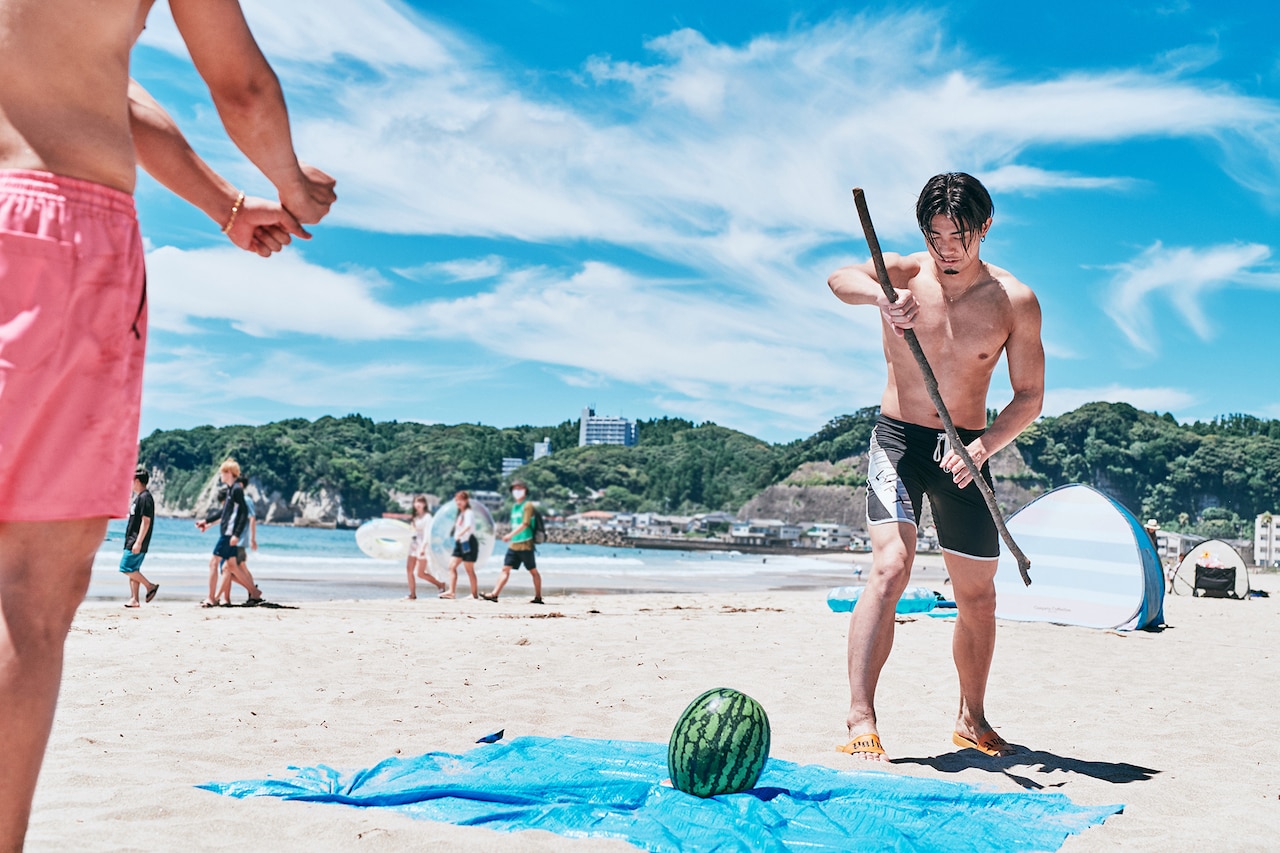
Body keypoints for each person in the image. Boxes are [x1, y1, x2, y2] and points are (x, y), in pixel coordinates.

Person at [0, 1, 335, 842]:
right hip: (51, 224)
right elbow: (240, 86)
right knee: (29, 591)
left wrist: (226, 205)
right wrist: (291, 186)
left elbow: (111, 89)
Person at [827, 172, 1044, 761]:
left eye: (960, 236)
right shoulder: (903, 274)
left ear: (985, 227)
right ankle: (860, 717)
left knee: (978, 596)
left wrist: (983, 447)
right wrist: (879, 299)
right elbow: (839, 278)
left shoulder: (1013, 300)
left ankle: (972, 719)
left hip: (967, 449)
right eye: (936, 236)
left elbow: (1029, 397)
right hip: (898, 440)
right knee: (890, 567)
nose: (947, 249)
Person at [197, 460, 259, 607]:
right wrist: (206, 521)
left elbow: (243, 513)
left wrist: (236, 534)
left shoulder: (236, 490)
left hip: (229, 535)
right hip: (228, 534)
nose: (221, 475)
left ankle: (211, 598)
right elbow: (224, 512)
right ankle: (254, 592)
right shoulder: (231, 489)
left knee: (213, 563)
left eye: (222, 473)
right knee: (231, 566)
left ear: (229, 473)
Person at [481, 481, 544, 604]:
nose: (517, 491)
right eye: (515, 489)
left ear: (525, 491)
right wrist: (511, 536)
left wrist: (509, 535)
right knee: (505, 569)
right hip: (514, 544)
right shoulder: (515, 507)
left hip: (525, 543)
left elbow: (525, 524)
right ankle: (494, 594)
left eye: (520, 488)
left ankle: (538, 597)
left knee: (533, 571)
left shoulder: (528, 505)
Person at [213, 475, 262, 606]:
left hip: (238, 541)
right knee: (236, 568)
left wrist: (252, 539)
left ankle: (252, 592)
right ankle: (249, 594)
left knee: (228, 568)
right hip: (233, 539)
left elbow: (252, 518)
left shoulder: (245, 500)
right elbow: (224, 517)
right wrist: (208, 524)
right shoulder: (235, 500)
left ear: (240, 485)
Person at [120, 469, 159, 608]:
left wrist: (138, 542)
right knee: (133, 569)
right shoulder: (140, 497)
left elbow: (146, 521)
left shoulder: (145, 498)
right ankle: (134, 599)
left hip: (136, 540)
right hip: (132, 539)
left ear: (136, 481)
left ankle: (150, 586)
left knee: (125, 567)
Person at [440, 490, 480, 600]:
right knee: (451, 566)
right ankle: (451, 592)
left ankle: (474, 594)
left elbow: (468, 526)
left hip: (468, 542)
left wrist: (460, 534)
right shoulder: (460, 514)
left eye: (461, 500)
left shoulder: (468, 513)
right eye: (457, 500)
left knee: (469, 570)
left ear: (466, 501)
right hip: (460, 543)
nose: (458, 502)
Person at [405, 495, 446, 599]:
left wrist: (423, 547)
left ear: (424, 504)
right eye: (416, 502)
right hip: (413, 545)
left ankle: (440, 584)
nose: (418, 504)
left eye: (420, 502)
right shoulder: (415, 517)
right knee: (409, 569)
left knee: (420, 573)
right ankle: (412, 594)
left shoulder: (428, 517)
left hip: (423, 546)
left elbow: (428, 534)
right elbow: (412, 531)